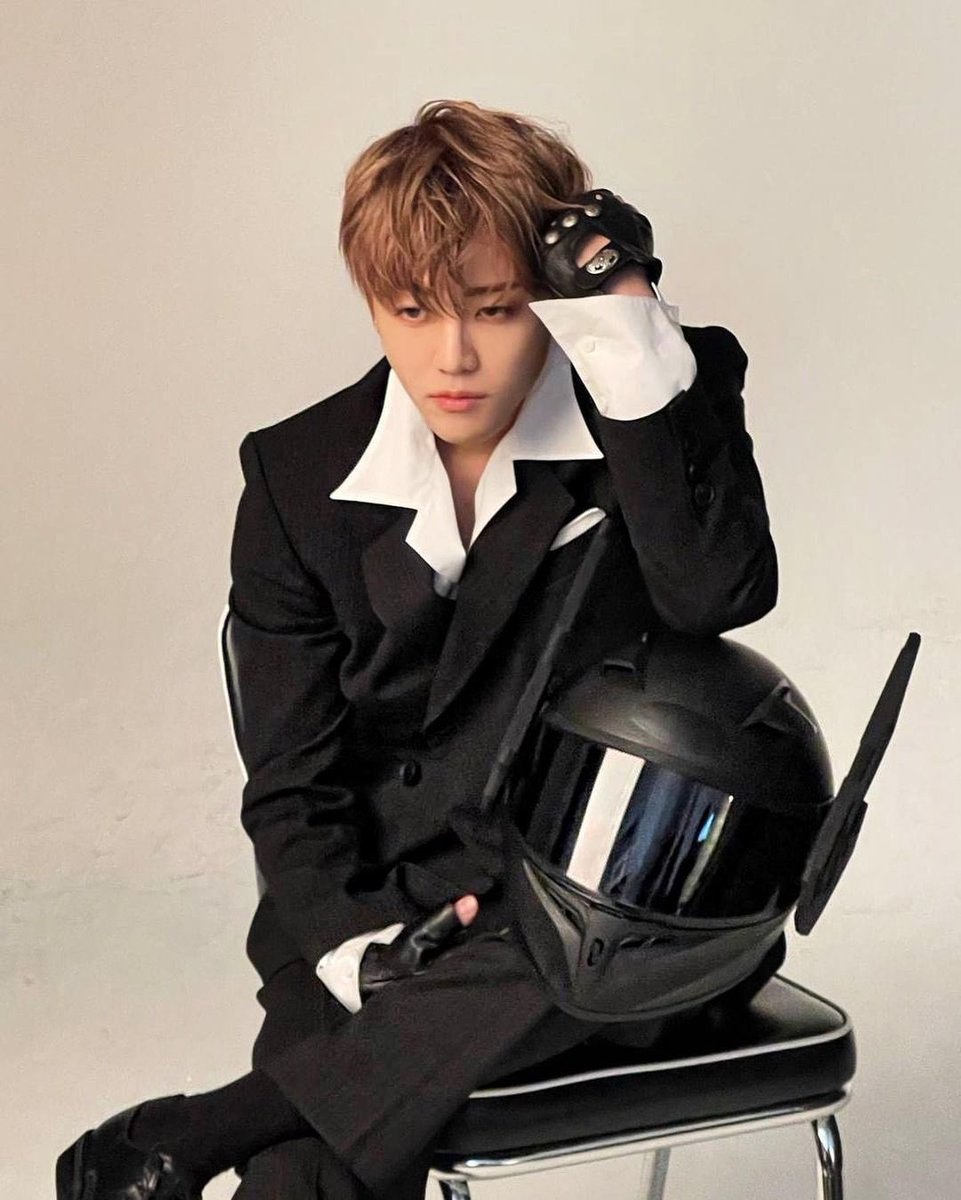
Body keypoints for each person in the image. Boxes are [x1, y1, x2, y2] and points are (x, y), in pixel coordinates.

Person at [56, 99, 779, 1199]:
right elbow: (290, 783)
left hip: (608, 912)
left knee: (594, 948)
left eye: (495, 309)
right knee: (301, 1177)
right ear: (370, 299)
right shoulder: (296, 478)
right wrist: (359, 952)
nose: (453, 356)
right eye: (411, 310)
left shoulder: (651, 398)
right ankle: (266, 1118)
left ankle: (198, 1127)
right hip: (378, 906)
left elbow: (716, 592)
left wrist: (623, 317)